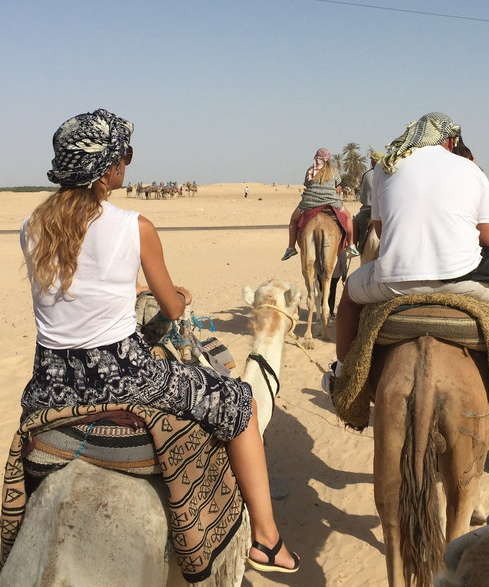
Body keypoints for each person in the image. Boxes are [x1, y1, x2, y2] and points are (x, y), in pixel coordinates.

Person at [19, 109, 299, 575]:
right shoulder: (135, 226)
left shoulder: (32, 227)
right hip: (124, 376)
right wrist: (180, 295)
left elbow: (77, 285)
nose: (127, 164)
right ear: (108, 167)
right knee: (239, 402)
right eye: (124, 155)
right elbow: (171, 310)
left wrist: (132, 292)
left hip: (51, 382)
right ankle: (267, 540)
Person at [329, 113, 489, 423]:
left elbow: (379, 228)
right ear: (450, 141)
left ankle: (341, 375)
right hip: (463, 278)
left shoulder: (385, 168)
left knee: (349, 299)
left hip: (393, 280)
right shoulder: (470, 170)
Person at [281, 148, 359, 261]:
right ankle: (351, 245)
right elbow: (337, 186)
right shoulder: (334, 171)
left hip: (310, 202)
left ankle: (291, 247)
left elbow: (307, 185)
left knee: (293, 220)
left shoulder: (310, 170)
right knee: (347, 216)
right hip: (331, 201)